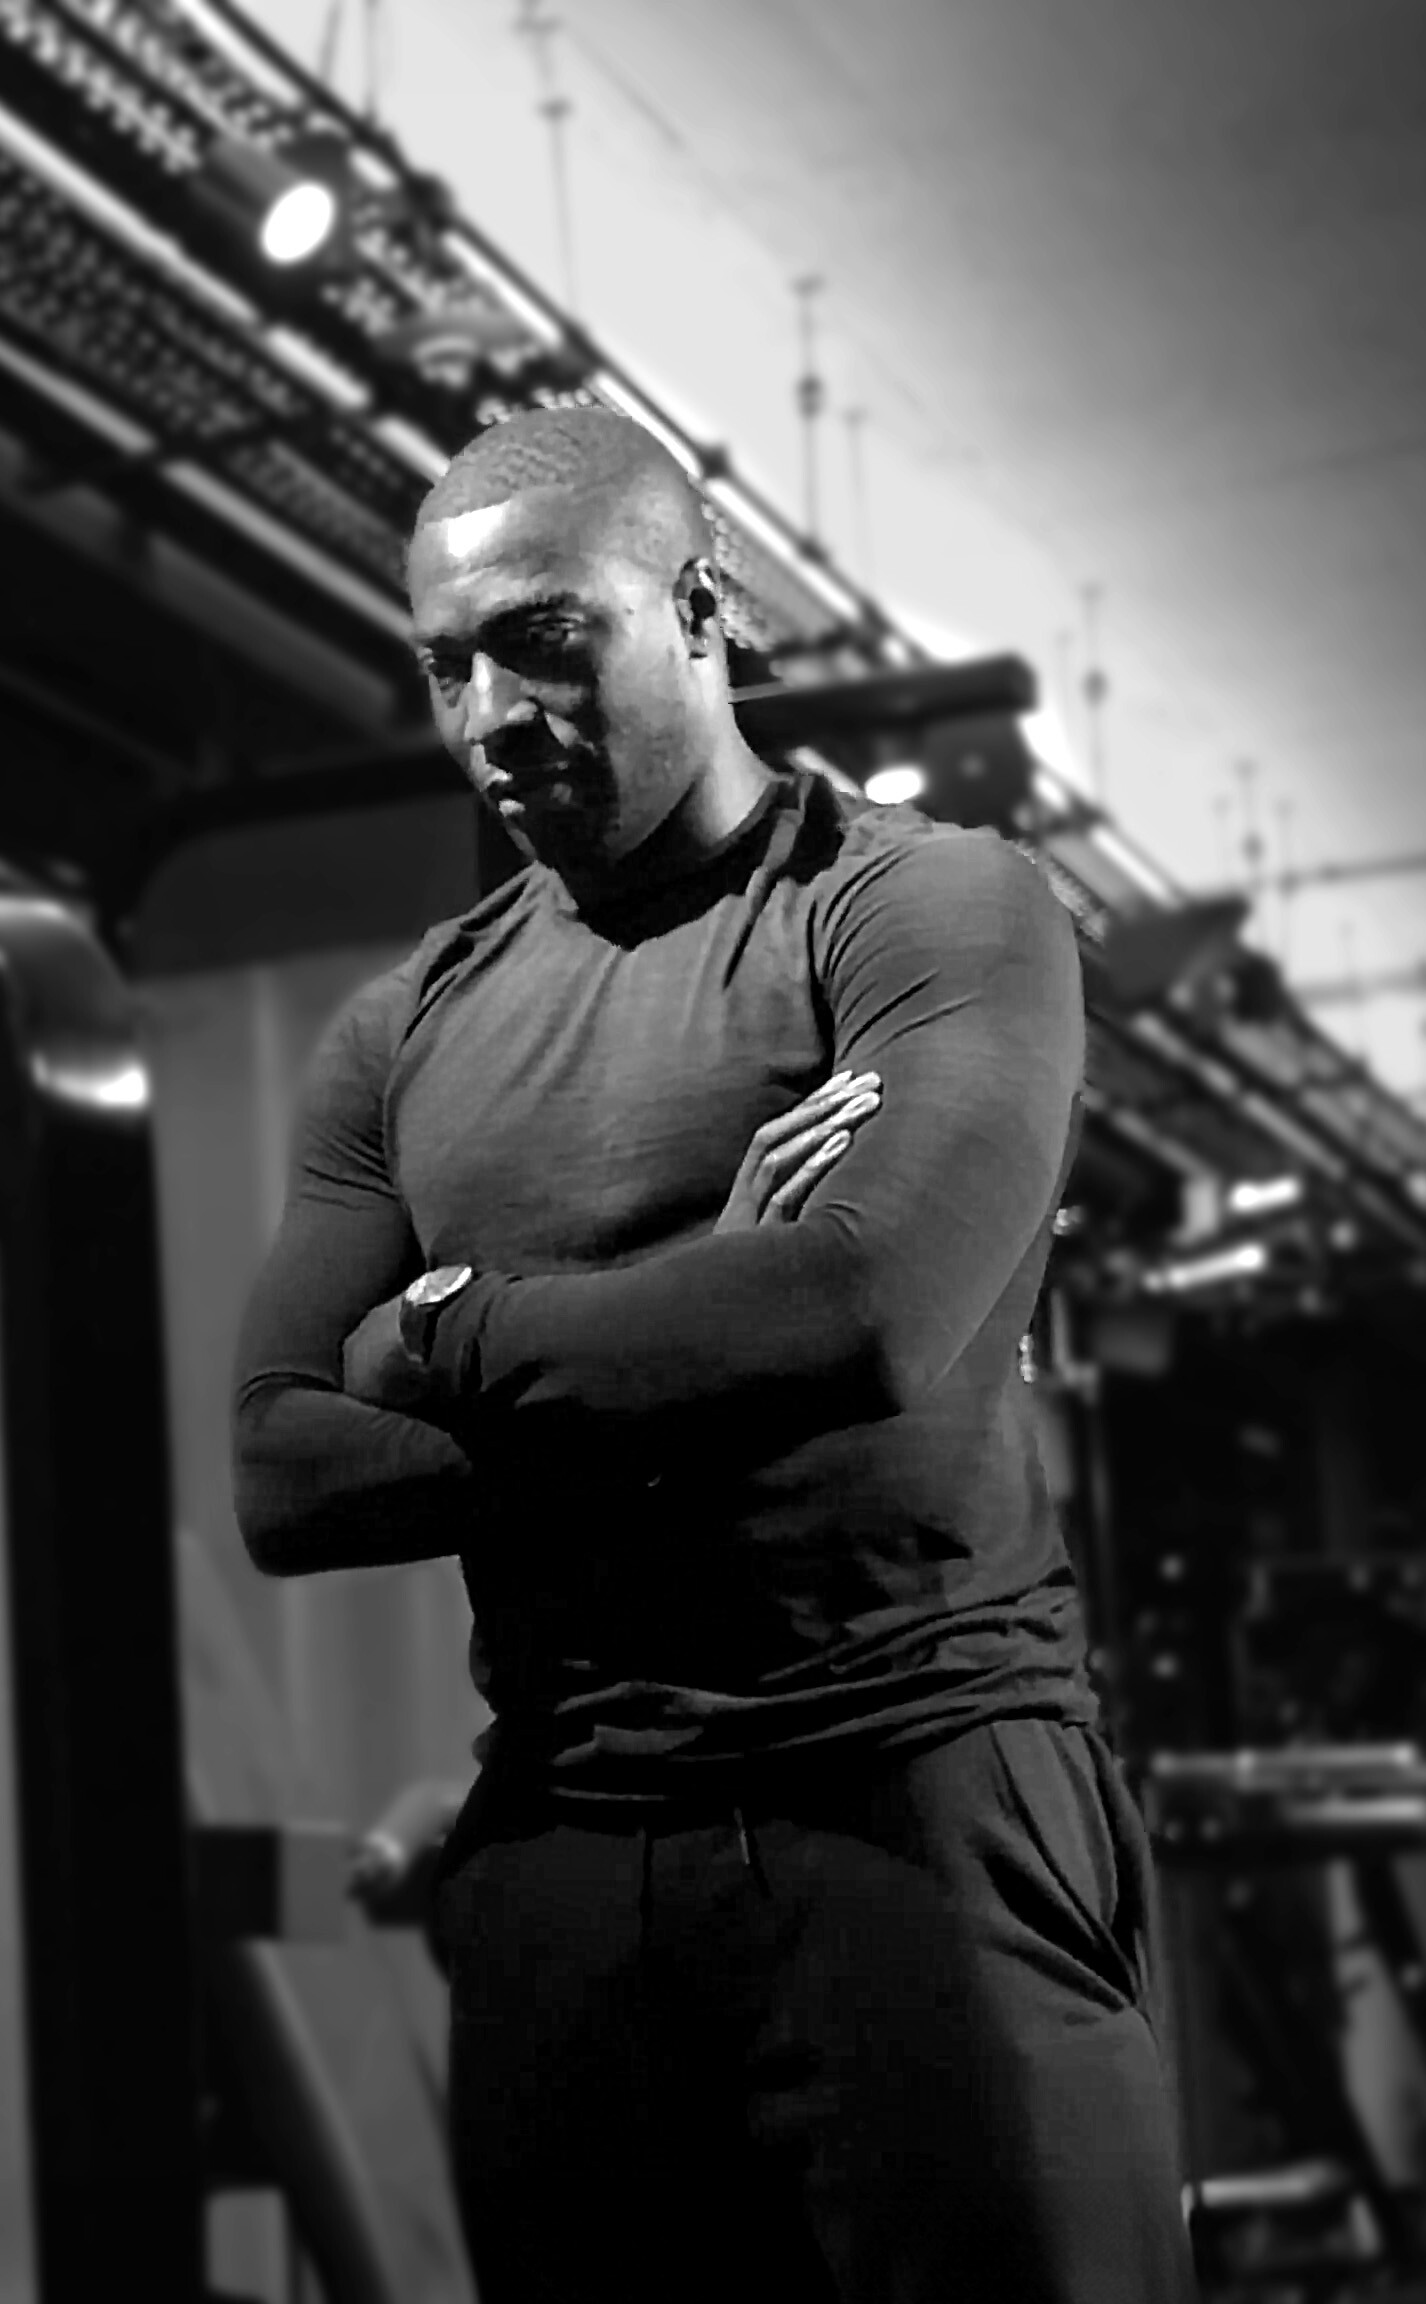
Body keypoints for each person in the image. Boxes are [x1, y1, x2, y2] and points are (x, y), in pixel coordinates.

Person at [230, 403, 1189, 2302]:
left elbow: (860, 1314)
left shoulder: (924, 908)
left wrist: (448, 1338)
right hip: (565, 1846)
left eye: (545, 639)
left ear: (700, 604)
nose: (492, 712)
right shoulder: (400, 1030)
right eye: (445, 667)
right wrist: (707, 1301)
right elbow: (283, 1470)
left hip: (914, 1796)